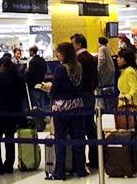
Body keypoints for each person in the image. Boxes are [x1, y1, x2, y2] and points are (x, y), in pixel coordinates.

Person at [49, 42, 88, 180]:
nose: (57, 54)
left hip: (62, 109)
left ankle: (59, 172)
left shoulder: (60, 69)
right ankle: (80, 169)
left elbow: (55, 89)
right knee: (78, 139)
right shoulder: (79, 67)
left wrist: (49, 93)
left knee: (61, 141)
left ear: (64, 53)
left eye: (58, 52)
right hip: (77, 106)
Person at [0, 55, 26, 175]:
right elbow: (22, 94)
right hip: (11, 113)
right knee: (9, 139)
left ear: (2, 66)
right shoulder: (17, 77)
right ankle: (8, 165)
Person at [71, 34, 98, 168]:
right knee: (90, 127)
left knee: (81, 128)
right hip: (90, 95)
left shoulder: (79, 59)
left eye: (73, 44)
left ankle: (80, 161)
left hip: (82, 97)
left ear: (79, 44)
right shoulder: (91, 58)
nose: (72, 47)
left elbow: (77, 80)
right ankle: (94, 157)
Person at [24, 46, 48, 111]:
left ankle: (39, 119)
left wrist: (25, 78)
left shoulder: (32, 62)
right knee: (42, 102)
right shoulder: (42, 60)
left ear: (32, 52)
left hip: (33, 84)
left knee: (36, 104)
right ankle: (44, 117)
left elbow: (30, 73)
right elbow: (46, 70)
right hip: (42, 83)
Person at [97, 37, 116, 112]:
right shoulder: (107, 48)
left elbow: (101, 60)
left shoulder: (101, 49)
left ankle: (108, 110)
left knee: (105, 89)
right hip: (111, 71)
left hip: (105, 72)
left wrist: (98, 69)